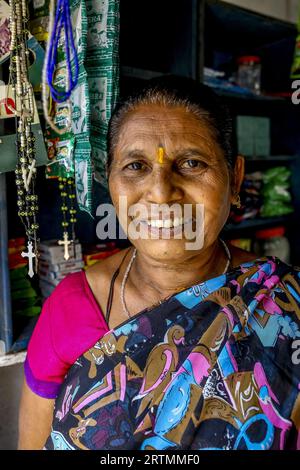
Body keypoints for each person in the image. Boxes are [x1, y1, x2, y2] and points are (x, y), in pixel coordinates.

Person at [18, 76, 300, 450]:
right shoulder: (70, 308)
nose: (162, 192)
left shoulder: (285, 305)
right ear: (111, 183)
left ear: (235, 179)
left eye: (192, 162)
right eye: (135, 166)